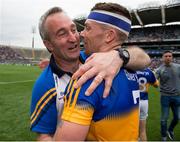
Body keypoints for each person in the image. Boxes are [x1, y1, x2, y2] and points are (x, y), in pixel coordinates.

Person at [30, 6, 150, 141]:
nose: (75, 37)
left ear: (109, 36)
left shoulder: (98, 63)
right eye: (62, 33)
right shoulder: (44, 85)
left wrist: (119, 56)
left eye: (74, 29)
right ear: (49, 45)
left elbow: (145, 59)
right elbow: (44, 136)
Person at [155, 51, 180, 141]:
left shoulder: (178, 67)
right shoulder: (159, 69)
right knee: (164, 119)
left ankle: (170, 130)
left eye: (170, 56)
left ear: (172, 57)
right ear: (163, 58)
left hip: (177, 96)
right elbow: (154, 81)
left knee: (177, 118)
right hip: (165, 97)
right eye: (166, 56)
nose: (168, 57)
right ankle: (164, 136)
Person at [136, 68, 159, 141]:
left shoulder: (132, 69)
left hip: (133, 102)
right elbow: (156, 85)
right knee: (143, 130)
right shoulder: (149, 72)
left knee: (132, 129)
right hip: (144, 102)